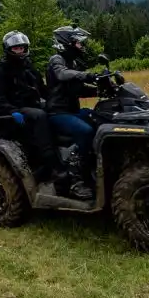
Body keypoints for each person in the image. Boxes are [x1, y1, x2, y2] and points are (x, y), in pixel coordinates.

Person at [0, 30, 62, 187]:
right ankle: (49, 160)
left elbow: (42, 89)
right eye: (16, 48)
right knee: (40, 115)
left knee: (53, 110)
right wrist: (12, 111)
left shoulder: (29, 67)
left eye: (22, 47)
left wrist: (57, 99)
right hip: (15, 109)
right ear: (8, 50)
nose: (20, 51)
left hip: (31, 105)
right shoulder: (3, 70)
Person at [45, 25, 100, 200]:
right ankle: (75, 181)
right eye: (77, 43)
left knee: (99, 119)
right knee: (85, 132)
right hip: (57, 113)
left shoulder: (72, 62)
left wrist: (102, 89)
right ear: (66, 43)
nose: (81, 46)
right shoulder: (57, 60)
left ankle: (95, 169)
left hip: (72, 111)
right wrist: (87, 75)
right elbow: (62, 75)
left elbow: (78, 88)